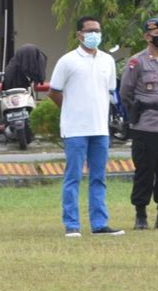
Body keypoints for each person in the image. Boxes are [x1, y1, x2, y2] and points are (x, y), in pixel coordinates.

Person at [47, 16, 124, 237]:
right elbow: (54, 91)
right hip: (75, 129)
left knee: (99, 177)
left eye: (97, 31)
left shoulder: (107, 60)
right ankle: (72, 224)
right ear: (79, 34)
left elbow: (109, 91)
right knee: (73, 177)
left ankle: (100, 223)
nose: (94, 35)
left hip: (100, 128)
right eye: (90, 31)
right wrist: (69, 109)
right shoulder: (68, 60)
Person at [120, 17, 158, 231]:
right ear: (147, 37)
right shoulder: (137, 62)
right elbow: (125, 92)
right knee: (145, 171)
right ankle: (141, 216)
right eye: (157, 35)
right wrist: (136, 111)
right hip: (146, 125)